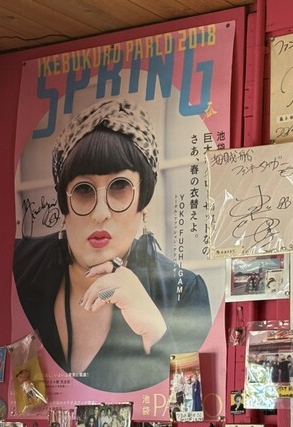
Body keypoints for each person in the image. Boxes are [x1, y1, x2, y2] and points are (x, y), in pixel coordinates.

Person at [13, 99, 211, 393]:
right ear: (63, 202)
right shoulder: (20, 264)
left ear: (143, 202)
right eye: (83, 190)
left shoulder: (185, 294)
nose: (100, 213)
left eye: (119, 187)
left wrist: (156, 331)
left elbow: (191, 404)